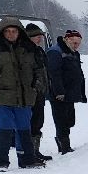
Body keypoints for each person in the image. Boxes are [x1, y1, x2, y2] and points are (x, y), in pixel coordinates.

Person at [0, 17, 47, 170]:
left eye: (14, 31)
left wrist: (37, 86)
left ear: (20, 32)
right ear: (2, 32)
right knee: (3, 130)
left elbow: (39, 70)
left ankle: (26, 160)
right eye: (7, 31)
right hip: (1, 98)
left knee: (24, 130)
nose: (11, 34)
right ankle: (1, 162)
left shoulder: (29, 49)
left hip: (24, 97)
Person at [47, 29, 88, 155]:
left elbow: (78, 72)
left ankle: (63, 142)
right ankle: (64, 146)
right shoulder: (55, 52)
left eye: (78, 43)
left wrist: (81, 92)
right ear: (67, 40)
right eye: (74, 42)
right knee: (61, 120)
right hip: (58, 94)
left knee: (70, 120)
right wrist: (59, 92)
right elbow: (54, 74)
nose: (76, 45)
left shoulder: (74, 52)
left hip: (70, 93)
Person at [24, 23, 53, 162]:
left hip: (40, 92)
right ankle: (29, 153)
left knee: (38, 122)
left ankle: (35, 151)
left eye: (40, 36)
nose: (39, 39)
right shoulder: (25, 52)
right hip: (30, 93)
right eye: (36, 36)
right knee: (31, 122)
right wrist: (33, 87)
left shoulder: (39, 51)